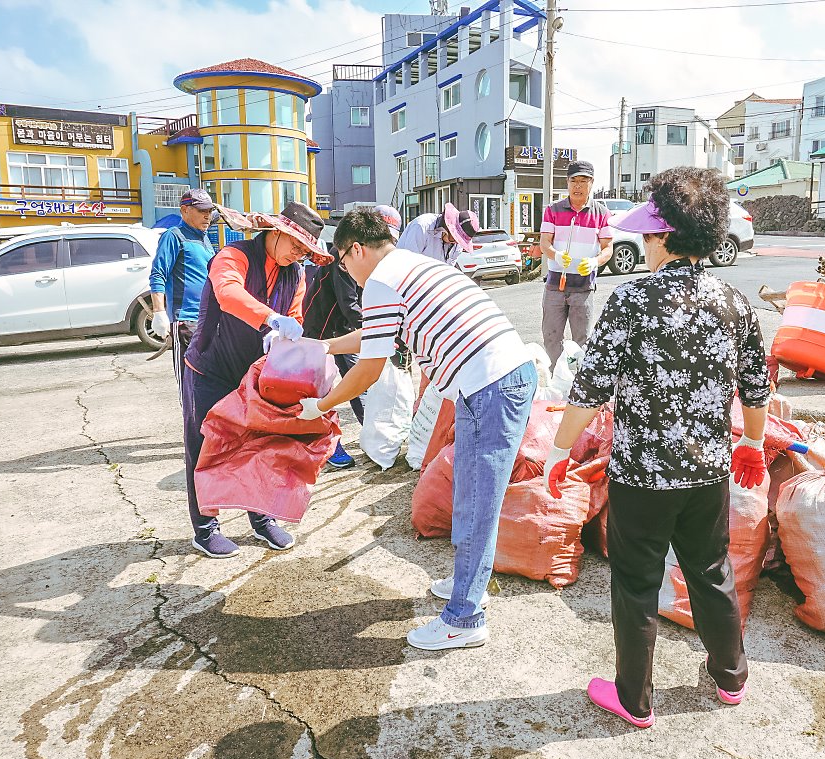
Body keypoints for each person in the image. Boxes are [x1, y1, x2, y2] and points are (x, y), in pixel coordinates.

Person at [545, 167, 771, 728]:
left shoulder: (631, 302)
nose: (643, 245)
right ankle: (730, 677)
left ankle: (635, 699)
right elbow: (756, 386)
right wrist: (753, 442)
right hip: (707, 472)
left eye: (648, 235)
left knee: (636, 581)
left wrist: (557, 453)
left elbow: (590, 388)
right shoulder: (735, 302)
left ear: (665, 236)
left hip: (642, 474)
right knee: (711, 570)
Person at [299, 207, 537, 651]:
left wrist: (322, 405)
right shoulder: (412, 265)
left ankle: (465, 619)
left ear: (355, 249)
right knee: (471, 494)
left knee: (475, 503)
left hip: (490, 387)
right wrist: (321, 345)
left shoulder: (382, 281)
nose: (345, 271)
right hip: (494, 381)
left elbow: (368, 369)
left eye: (343, 260)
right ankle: (469, 585)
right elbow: (375, 339)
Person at [181, 202, 333, 559]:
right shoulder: (234, 255)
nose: (299, 254)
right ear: (276, 232)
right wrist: (271, 319)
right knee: (204, 445)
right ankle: (204, 529)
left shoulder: (295, 274)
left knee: (262, 444)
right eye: (296, 244)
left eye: (306, 250)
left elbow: (294, 317)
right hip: (211, 368)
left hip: (256, 375)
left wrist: (283, 335)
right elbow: (228, 293)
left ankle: (262, 520)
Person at [302, 204, 402, 469]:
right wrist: (380, 331)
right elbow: (350, 305)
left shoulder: (379, 267)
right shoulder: (343, 259)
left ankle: (374, 438)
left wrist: (381, 331)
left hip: (348, 328)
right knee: (323, 389)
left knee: (360, 388)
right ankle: (332, 445)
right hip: (323, 327)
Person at [538, 160, 613, 372]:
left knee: (583, 339)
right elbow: (544, 243)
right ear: (567, 183)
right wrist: (556, 255)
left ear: (592, 183)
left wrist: (594, 262)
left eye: (583, 181)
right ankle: (555, 377)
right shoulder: (552, 210)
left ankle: (581, 382)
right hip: (555, 285)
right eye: (574, 181)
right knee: (552, 337)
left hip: (584, 287)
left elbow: (608, 248)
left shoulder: (601, 213)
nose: (578, 186)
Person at [148, 189, 216, 383]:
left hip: (207, 319)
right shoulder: (174, 236)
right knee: (189, 382)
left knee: (207, 381)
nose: (207, 216)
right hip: (186, 321)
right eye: (202, 211)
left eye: (210, 211)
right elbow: (158, 273)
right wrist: (159, 312)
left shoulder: (204, 238)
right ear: (185, 210)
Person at [397, 202, 480, 264]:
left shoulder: (457, 245)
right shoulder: (421, 226)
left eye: (459, 242)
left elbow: (448, 269)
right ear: (446, 228)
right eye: (454, 239)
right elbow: (408, 262)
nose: (455, 243)